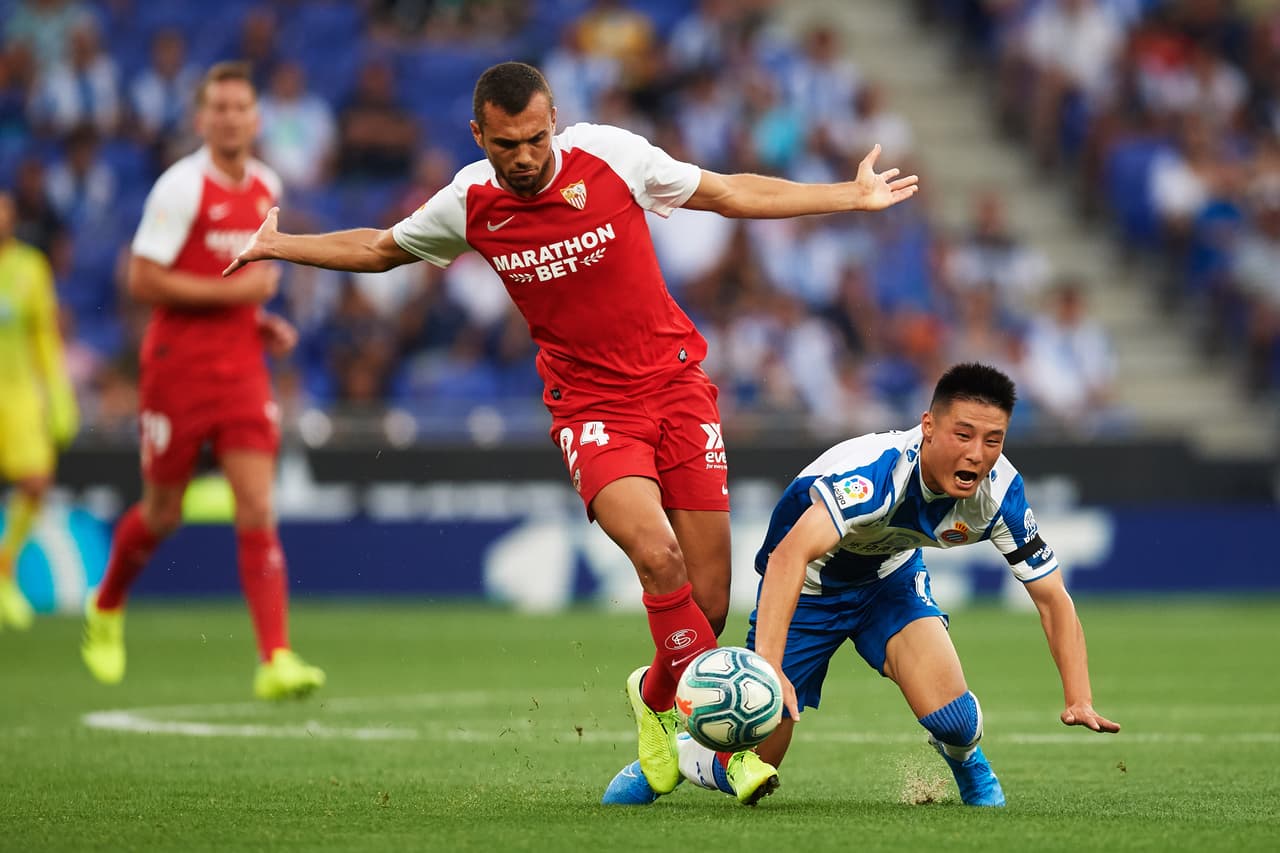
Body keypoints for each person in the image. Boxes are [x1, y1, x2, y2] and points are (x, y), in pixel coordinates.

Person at [224, 60, 918, 795]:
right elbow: (380, 247)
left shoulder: (612, 157)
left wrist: (849, 194)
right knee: (658, 558)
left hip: (677, 388)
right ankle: (717, 745)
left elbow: (726, 191)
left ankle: (653, 699)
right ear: (478, 134)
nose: (521, 158)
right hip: (592, 410)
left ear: (553, 118)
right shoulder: (470, 202)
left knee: (709, 600)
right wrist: (278, 244)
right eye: (503, 144)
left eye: (532, 138)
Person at [602, 362, 1120, 807]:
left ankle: (971, 768)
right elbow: (786, 558)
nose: (979, 454)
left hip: (887, 582)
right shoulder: (876, 475)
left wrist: (1079, 696)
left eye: (993, 439)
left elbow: (1052, 597)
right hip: (806, 588)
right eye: (963, 435)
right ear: (929, 428)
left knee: (955, 720)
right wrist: (771, 670)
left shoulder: (1000, 494)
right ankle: (665, 749)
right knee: (751, 758)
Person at [80, 62, 324, 701]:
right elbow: (142, 280)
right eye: (218, 108)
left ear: (257, 117)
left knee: (258, 507)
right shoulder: (180, 187)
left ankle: (275, 658)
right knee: (162, 513)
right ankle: (104, 606)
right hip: (177, 370)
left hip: (243, 366)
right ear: (200, 119)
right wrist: (237, 297)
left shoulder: (265, 184)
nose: (230, 117)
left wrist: (259, 320)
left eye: (241, 107)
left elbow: (240, 288)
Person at [0, 188, 78, 629]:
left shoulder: (29, 267)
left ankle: (4, 566)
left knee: (35, 481)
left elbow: (45, 337)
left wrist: (59, 396)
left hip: (17, 391)